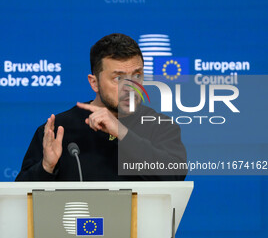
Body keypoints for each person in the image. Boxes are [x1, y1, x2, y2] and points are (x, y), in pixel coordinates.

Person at [15, 33, 187, 182]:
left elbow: (175, 176)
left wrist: (121, 132)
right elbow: (20, 199)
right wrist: (46, 167)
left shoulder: (160, 126)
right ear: (94, 83)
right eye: (118, 78)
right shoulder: (59, 130)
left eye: (137, 75)